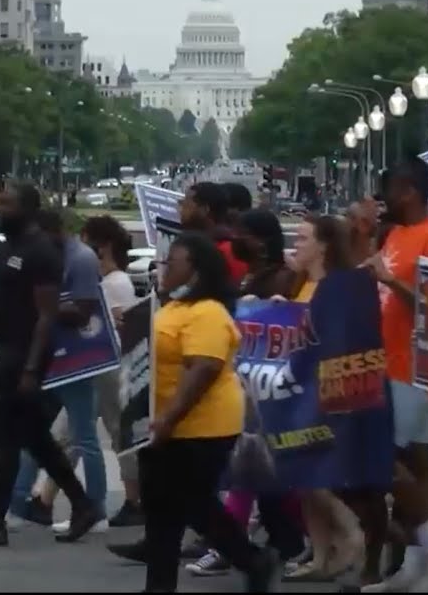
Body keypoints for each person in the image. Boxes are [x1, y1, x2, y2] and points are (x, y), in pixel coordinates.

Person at [0, 182, 102, 546]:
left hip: (25, 356)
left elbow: (46, 315)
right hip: (7, 350)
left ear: (27, 209)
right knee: (35, 438)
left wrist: (30, 369)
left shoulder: (41, 253)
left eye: (6, 205)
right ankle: (83, 505)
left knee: (7, 440)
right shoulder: (6, 249)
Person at [140, 231, 281, 593]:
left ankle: (252, 559)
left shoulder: (208, 313)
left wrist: (170, 418)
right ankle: (160, 584)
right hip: (164, 424)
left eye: (172, 263)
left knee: (191, 505)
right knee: (163, 508)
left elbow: (203, 368)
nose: (163, 267)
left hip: (200, 426)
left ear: (196, 272)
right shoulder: (174, 307)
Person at [362, 157, 428, 592]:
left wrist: (389, 280)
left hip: (416, 367)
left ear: (411, 191)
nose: (386, 199)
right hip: (386, 360)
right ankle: (416, 562)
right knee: (410, 463)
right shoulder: (398, 234)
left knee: (399, 463)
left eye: (391, 190)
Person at [27, 215, 143, 528]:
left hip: (106, 366)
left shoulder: (116, 282)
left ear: (102, 246)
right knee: (70, 434)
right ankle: (45, 499)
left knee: (107, 433)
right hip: (92, 366)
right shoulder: (104, 279)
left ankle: (126, 501)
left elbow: (119, 323)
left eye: (87, 238)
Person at [4, 209, 107, 533]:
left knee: (85, 437)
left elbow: (84, 310)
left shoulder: (82, 258)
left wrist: (42, 306)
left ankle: (97, 509)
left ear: (55, 231)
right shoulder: (48, 256)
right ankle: (17, 506)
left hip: (76, 359)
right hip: (50, 356)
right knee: (34, 434)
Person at [285, 216, 367, 587]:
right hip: (297, 385)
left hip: (325, 387)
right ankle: (319, 555)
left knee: (307, 469)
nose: (295, 245)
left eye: (302, 238)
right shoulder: (303, 284)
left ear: (324, 246)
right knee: (303, 478)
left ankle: (350, 530)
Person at [179, 182, 247, 284]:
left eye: (186, 203)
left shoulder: (229, 251)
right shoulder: (199, 245)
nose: (181, 209)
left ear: (205, 209)